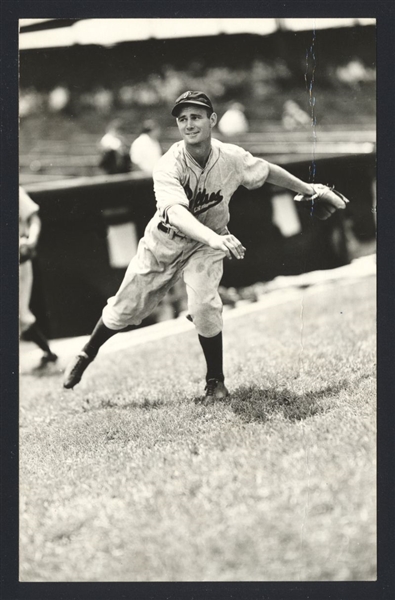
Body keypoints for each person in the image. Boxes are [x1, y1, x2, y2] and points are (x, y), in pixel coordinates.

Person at [63, 91, 348, 402]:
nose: (189, 124)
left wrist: (309, 190)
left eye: (196, 116)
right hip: (164, 243)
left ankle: (215, 381)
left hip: (207, 244)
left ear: (212, 120)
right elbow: (174, 212)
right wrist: (214, 238)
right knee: (123, 308)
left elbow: (266, 170)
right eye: (182, 119)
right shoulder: (167, 164)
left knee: (204, 306)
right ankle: (85, 353)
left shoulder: (231, 157)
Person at [19, 186, 58, 370]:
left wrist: (32, 240)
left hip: (17, 255)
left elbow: (34, 218)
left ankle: (48, 353)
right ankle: (48, 352)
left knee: (20, 314)